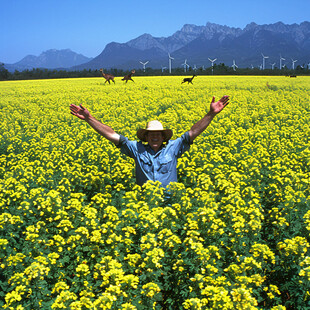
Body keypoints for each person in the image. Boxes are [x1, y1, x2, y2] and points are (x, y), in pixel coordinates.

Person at [69, 95, 230, 187]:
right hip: (144, 206)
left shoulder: (173, 148)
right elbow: (112, 135)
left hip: (169, 205)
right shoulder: (137, 149)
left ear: (163, 137)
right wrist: (90, 119)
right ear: (145, 137)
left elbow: (193, 132)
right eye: (151, 134)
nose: (154, 137)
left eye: (158, 134)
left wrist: (211, 114)